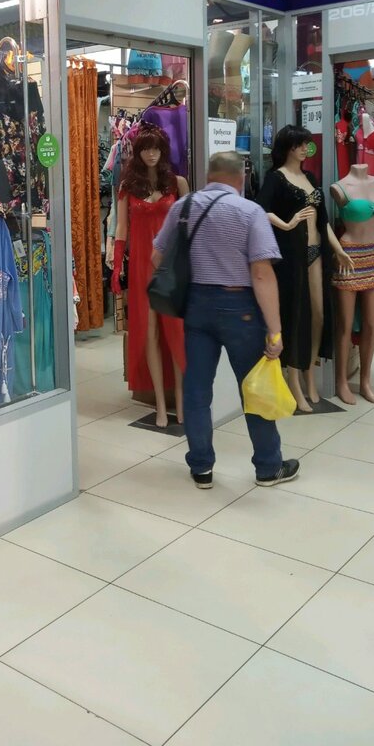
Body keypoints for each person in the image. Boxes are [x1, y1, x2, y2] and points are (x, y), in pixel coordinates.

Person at [152, 151, 300, 488]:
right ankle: (268, 467)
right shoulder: (249, 211)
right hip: (240, 307)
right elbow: (261, 273)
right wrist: (275, 330)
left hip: (196, 305)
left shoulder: (183, 207)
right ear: (240, 177)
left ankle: (201, 467)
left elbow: (157, 256)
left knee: (196, 388)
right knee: (254, 387)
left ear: (209, 175)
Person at [257, 125, 352, 411]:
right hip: (292, 254)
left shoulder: (310, 177)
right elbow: (260, 209)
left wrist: (339, 249)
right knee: (296, 314)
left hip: (316, 251)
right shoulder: (276, 178)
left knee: (319, 315)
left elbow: (323, 221)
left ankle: (309, 373)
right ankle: (294, 379)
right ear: (287, 147)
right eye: (299, 144)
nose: (304, 149)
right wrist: (287, 224)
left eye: (306, 144)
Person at [112, 125, 189, 427]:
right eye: (145, 148)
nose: (151, 154)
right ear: (138, 152)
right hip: (142, 265)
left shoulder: (177, 184)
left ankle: (180, 400)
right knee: (150, 332)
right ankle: (159, 403)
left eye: (156, 148)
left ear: (163, 149)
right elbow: (121, 228)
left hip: (171, 266)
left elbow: (188, 225)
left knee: (176, 333)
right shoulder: (127, 186)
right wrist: (116, 267)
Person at [330, 162, 374, 405]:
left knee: (372, 324)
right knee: (345, 325)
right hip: (350, 256)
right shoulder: (339, 188)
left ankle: (365, 380)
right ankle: (341, 381)